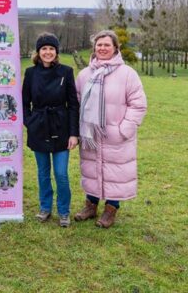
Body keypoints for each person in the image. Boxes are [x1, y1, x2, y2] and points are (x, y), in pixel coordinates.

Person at [74, 30, 147, 228]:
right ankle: (91, 205)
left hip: (115, 136)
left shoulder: (127, 74)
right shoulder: (84, 75)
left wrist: (124, 130)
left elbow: (138, 104)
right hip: (90, 135)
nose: (103, 48)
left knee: (115, 173)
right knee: (91, 169)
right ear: (94, 48)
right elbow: (76, 103)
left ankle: (111, 209)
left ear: (116, 48)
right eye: (99, 45)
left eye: (107, 45)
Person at [22, 33, 79, 227]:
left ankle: (64, 210)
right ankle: (45, 207)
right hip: (39, 127)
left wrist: (73, 133)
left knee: (61, 173)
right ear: (38, 52)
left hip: (61, 127)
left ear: (56, 52)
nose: (48, 52)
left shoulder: (66, 72)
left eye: (51, 49)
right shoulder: (30, 73)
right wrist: (29, 121)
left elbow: (73, 105)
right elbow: (24, 102)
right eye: (44, 49)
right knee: (43, 172)